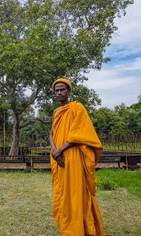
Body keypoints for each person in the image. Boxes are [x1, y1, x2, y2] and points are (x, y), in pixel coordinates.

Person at [49, 78, 105, 236]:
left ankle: (81, 227)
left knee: (76, 191)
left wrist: (61, 149)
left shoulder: (77, 107)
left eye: (62, 90)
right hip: (57, 157)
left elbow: (80, 134)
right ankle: (66, 225)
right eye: (56, 91)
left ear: (68, 91)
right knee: (62, 191)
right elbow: (51, 134)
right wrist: (55, 151)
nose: (59, 93)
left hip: (73, 156)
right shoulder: (56, 112)